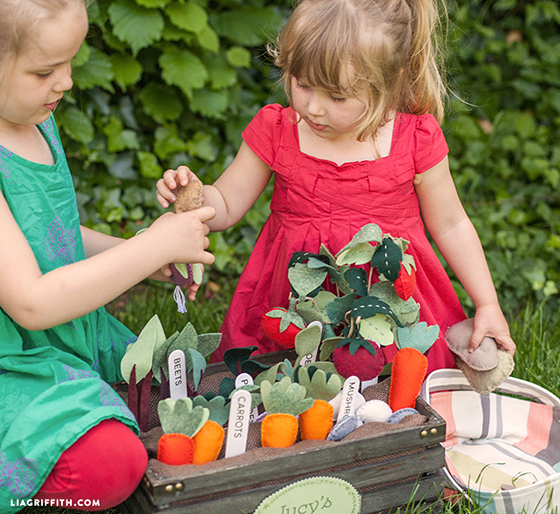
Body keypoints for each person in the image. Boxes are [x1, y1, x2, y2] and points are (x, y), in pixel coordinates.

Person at [157, 0, 516, 373]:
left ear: (387, 84)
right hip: (296, 304)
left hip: (387, 302)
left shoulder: (414, 140)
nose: (313, 107)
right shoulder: (278, 130)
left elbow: (451, 224)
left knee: (397, 391)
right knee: (283, 391)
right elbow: (227, 203)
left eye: (337, 96)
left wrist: (487, 303)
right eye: (302, 85)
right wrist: (192, 196)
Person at [0, 0, 215, 511]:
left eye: (72, 62)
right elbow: (31, 303)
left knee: (180, 385)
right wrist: (151, 245)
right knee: (109, 461)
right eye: (46, 70)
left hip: (64, 337)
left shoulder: (30, 116)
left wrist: (139, 256)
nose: (68, 82)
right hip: (15, 360)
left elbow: (49, 235)